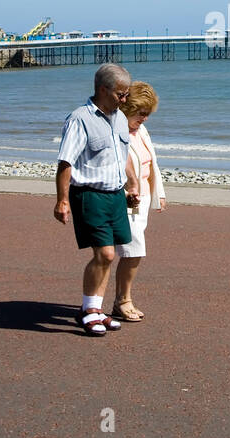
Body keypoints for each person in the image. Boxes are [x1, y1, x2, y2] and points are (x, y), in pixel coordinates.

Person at [53, 63, 137, 337]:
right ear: (103, 89)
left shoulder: (121, 118)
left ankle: (96, 309)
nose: (125, 100)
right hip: (89, 194)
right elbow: (65, 162)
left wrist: (132, 185)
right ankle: (89, 311)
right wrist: (62, 200)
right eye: (120, 94)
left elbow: (121, 156)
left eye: (126, 94)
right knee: (105, 254)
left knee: (109, 256)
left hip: (115, 195)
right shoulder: (80, 118)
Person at [112, 82, 167, 321]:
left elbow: (151, 163)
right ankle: (123, 300)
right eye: (141, 113)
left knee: (133, 250)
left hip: (142, 197)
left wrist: (160, 194)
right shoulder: (116, 131)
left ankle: (121, 299)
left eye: (148, 114)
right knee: (133, 249)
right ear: (127, 108)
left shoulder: (141, 130)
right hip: (126, 199)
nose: (145, 118)